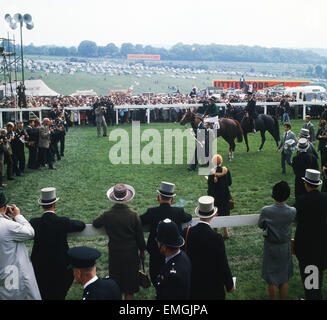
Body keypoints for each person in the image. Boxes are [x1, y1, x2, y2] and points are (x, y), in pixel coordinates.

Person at [30, 188, 86, 300]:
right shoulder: (63, 222)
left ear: (42, 206)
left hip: (40, 266)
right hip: (60, 266)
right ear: (54, 205)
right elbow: (81, 225)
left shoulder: (34, 222)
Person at [93, 184, 146, 300]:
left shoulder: (107, 215)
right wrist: (142, 252)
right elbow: (140, 238)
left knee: (116, 288)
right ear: (127, 197)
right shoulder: (134, 215)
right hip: (131, 255)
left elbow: (95, 223)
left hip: (115, 254)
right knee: (130, 289)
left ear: (113, 197)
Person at [182, 196, 235, 300]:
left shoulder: (187, 232)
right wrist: (230, 285)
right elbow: (223, 264)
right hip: (212, 286)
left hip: (193, 284)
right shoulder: (216, 238)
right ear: (213, 214)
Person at [140, 182, 192, 285]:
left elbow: (140, 220)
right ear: (172, 199)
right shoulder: (179, 212)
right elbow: (189, 217)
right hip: (173, 253)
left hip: (156, 253)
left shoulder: (152, 212)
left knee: (156, 279)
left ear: (158, 198)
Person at [258, 182, 296, 300]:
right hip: (285, 247)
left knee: (271, 278)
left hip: (271, 246)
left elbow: (261, 224)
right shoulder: (292, 211)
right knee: (284, 276)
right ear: (287, 195)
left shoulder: (266, 210)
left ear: (273, 194)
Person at [0, 192, 41, 300]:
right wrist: (17, 215)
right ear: (4, 207)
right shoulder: (7, 225)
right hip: (12, 274)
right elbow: (30, 232)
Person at [294, 169, 327, 300]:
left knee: (310, 283)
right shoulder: (325, 198)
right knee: (317, 277)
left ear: (306, 184)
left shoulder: (301, 201)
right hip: (322, 243)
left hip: (307, 246)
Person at [155, 219, 191, 300]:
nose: (157, 243)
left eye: (158, 241)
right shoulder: (183, 256)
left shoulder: (172, 276)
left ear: (164, 247)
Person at [207, 154, 232, 239]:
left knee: (215, 214)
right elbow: (229, 183)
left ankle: (215, 232)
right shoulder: (226, 170)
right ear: (221, 161)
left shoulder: (211, 172)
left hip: (214, 197)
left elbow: (210, 185)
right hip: (225, 195)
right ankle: (226, 232)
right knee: (225, 213)